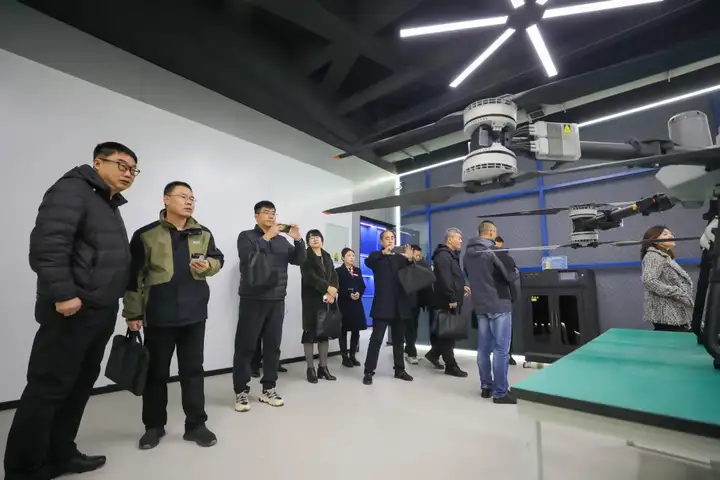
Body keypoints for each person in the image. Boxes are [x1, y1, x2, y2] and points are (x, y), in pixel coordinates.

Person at [4, 142, 138, 479]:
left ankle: (61, 453)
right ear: (98, 163)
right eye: (122, 165)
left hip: (99, 309)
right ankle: (24, 469)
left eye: (133, 169)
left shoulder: (106, 202)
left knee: (78, 386)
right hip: (71, 309)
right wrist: (64, 294)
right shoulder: (72, 190)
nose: (128, 173)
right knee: (48, 388)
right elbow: (49, 245)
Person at [123, 181, 225, 450]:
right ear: (166, 200)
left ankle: (196, 425)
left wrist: (209, 265)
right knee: (156, 373)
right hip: (159, 314)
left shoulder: (203, 232)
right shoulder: (146, 235)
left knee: (193, 371)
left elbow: (218, 259)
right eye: (183, 196)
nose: (189, 201)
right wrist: (132, 313)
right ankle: (154, 426)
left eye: (192, 198)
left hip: (194, 314)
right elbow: (133, 276)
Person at [233, 201, 305, 411]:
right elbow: (248, 259)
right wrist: (267, 237)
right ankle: (241, 391)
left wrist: (298, 239)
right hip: (252, 299)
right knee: (246, 346)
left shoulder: (282, 240)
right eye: (266, 212)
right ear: (256, 216)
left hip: (277, 299)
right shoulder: (246, 236)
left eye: (273, 213)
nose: (271, 216)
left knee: (273, 346)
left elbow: (299, 260)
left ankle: (269, 388)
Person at [464, 220, 518, 404]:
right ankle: (500, 392)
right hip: (499, 304)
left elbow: (469, 276)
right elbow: (511, 274)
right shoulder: (495, 251)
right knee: (501, 350)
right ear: (491, 232)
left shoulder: (467, 255)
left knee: (483, 349)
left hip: (480, 305)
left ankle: (486, 386)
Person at [362, 229, 415, 385]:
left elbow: (411, 275)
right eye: (387, 238)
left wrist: (410, 260)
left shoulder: (400, 258)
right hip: (382, 305)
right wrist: (382, 253)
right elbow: (368, 262)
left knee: (398, 341)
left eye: (392, 238)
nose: (390, 240)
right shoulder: (376, 257)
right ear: (381, 241)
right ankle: (368, 371)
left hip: (400, 305)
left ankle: (399, 370)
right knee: (376, 339)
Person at [427, 228, 469, 378]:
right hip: (446, 301)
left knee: (448, 333)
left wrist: (461, 287)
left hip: (451, 299)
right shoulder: (443, 256)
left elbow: (452, 277)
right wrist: (452, 298)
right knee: (447, 335)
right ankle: (451, 366)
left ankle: (433, 354)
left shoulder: (451, 255)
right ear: (450, 239)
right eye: (459, 238)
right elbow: (445, 279)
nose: (461, 241)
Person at [300, 229, 340, 383]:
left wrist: (333, 291)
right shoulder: (305, 255)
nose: (315, 239)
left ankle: (323, 368)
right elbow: (310, 276)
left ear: (322, 239)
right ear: (308, 241)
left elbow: (334, 275)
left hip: (327, 299)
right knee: (310, 333)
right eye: (311, 238)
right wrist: (327, 288)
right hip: (312, 300)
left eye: (317, 237)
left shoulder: (327, 255)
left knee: (324, 333)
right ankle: (310, 369)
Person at [641, 225, 694, 331]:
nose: (671, 236)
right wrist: (676, 291)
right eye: (665, 234)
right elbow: (649, 280)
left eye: (671, 233)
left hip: (674, 311)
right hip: (667, 313)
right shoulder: (654, 255)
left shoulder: (664, 257)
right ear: (654, 240)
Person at [335, 248, 367, 368]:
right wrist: (348, 294)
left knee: (356, 330)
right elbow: (337, 287)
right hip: (344, 304)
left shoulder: (358, 270)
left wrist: (359, 293)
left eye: (353, 256)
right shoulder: (338, 271)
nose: (352, 258)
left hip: (356, 304)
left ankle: (352, 356)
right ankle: (345, 357)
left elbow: (362, 285)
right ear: (343, 258)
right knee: (343, 331)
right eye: (349, 255)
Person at [494, 236, 518, 366]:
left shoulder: (502, 258)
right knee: (504, 329)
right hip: (504, 296)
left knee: (502, 329)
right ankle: (506, 354)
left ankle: (506, 354)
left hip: (500, 297)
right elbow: (514, 274)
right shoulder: (507, 258)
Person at [404, 245, 425, 365]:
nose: (418, 258)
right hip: (407, 302)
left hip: (417, 302)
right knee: (410, 329)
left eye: (419, 256)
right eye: (416, 255)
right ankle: (411, 353)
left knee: (414, 328)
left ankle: (408, 350)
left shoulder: (419, 266)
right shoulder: (405, 265)